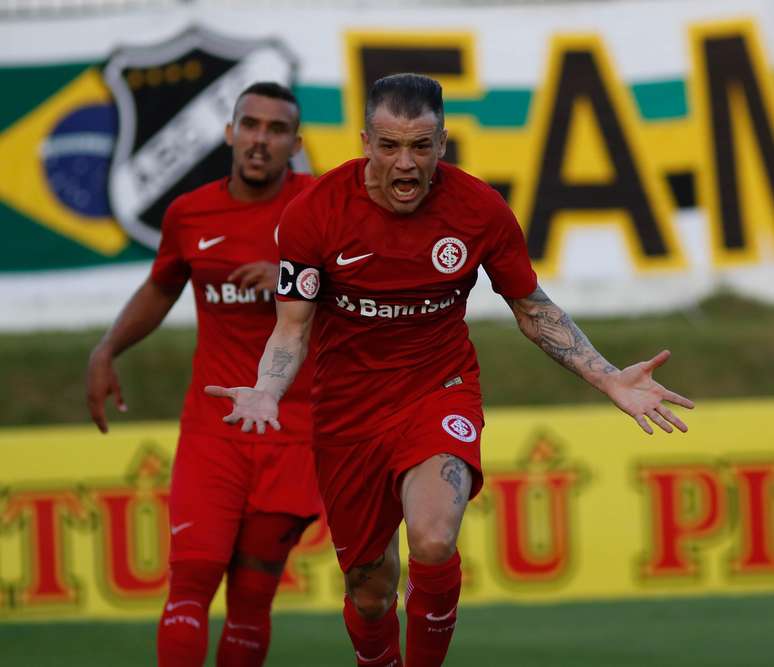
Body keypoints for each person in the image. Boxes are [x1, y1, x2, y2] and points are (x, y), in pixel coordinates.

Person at [205, 73, 694, 667]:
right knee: (370, 589)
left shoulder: (479, 209)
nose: (404, 163)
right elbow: (292, 326)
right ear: (364, 142)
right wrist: (266, 389)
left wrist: (608, 375)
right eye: (389, 146)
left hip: (438, 391)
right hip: (347, 414)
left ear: (443, 144)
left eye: (420, 146)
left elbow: (532, 308)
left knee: (434, 540)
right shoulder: (313, 215)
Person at [86, 81, 321, 667]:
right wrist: (107, 348)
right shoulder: (190, 214)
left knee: (250, 600)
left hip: (293, 430)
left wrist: (295, 279)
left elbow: (369, 284)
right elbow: (163, 285)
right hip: (214, 430)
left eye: (275, 129)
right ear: (229, 132)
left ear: (296, 143)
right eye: (250, 125)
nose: (260, 139)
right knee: (190, 581)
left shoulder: (319, 208)